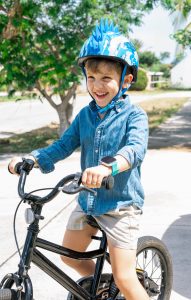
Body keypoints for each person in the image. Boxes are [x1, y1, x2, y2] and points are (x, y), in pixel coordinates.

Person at [8, 19, 149, 300]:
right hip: (87, 203)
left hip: (120, 207)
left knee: (125, 278)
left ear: (126, 80)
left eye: (106, 78)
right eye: (91, 78)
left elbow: (134, 149)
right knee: (69, 257)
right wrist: (33, 159)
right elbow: (63, 145)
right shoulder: (85, 116)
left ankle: (120, 282)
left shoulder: (135, 116)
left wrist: (108, 166)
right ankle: (100, 287)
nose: (97, 86)